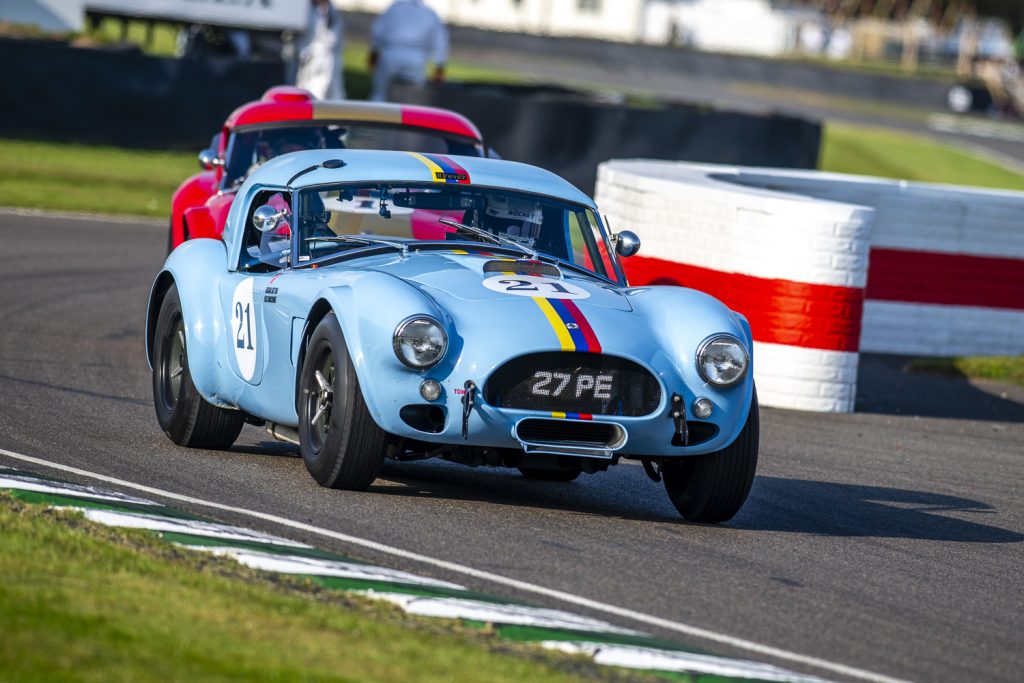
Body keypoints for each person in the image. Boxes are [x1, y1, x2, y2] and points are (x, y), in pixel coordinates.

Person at [369, 0, 448, 101]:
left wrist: (374, 51)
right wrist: (439, 65)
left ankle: (375, 114)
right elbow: (439, 40)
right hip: (416, 59)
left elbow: (378, 31)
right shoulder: (429, 13)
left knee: (381, 94)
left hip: (391, 54)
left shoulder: (394, 8)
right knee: (413, 97)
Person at [296, 0, 345, 100]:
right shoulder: (306, 9)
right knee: (309, 93)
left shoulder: (331, 11)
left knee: (332, 94)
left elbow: (334, 39)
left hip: (329, 60)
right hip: (310, 61)